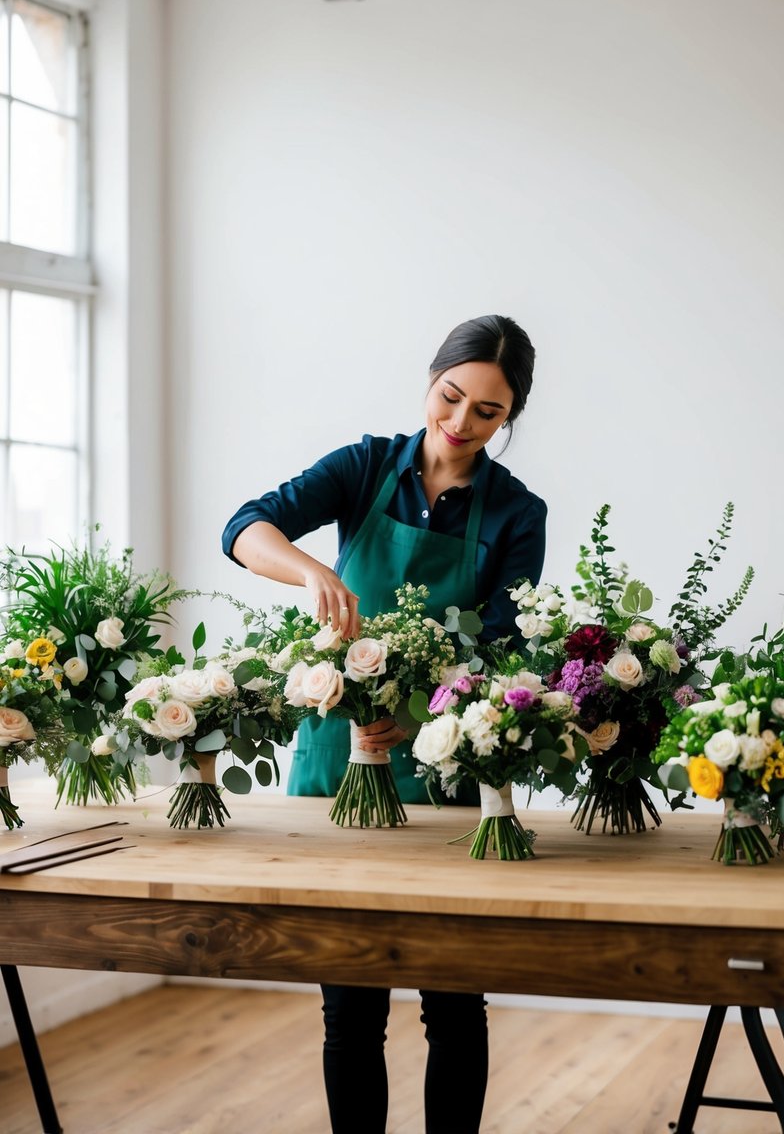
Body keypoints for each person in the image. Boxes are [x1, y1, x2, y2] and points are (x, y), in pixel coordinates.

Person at [222, 314, 547, 1134]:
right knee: (350, 1010)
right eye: (451, 397)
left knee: (453, 1003)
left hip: (442, 763)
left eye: (487, 412)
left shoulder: (516, 512)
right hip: (338, 761)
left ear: (509, 418)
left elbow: (503, 653)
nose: (461, 422)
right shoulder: (367, 467)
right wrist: (312, 571)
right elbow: (244, 528)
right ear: (431, 380)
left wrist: (415, 712)